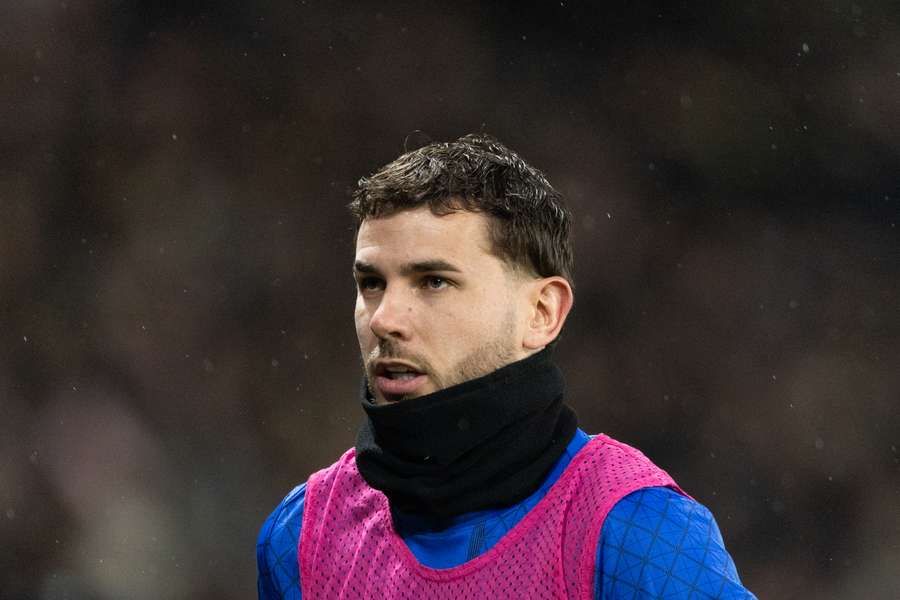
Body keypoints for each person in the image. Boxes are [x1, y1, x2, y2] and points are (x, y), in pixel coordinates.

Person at [257, 134, 756, 599]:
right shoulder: (300, 538)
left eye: (433, 281)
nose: (385, 319)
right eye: (371, 284)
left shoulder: (632, 530)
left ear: (541, 313)